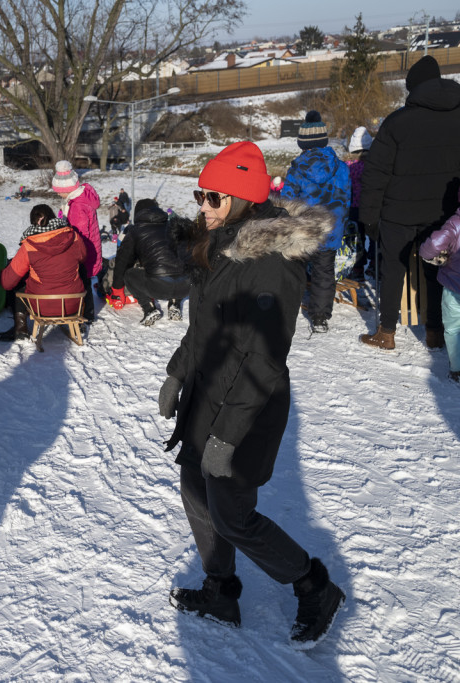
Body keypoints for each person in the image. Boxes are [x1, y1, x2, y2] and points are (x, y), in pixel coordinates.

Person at [159, 141, 345, 648]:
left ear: (241, 200)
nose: (202, 206)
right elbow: (204, 327)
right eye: (200, 194)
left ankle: (315, 587)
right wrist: (178, 373)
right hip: (207, 394)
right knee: (195, 490)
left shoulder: (273, 264)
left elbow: (263, 359)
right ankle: (221, 590)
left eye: (213, 197)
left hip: (245, 410)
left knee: (234, 515)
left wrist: (228, 433)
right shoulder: (220, 245)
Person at [360, 55, 460, 351]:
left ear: (413, 88)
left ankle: (387, 332)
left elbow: (375, 174)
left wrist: (369, 217)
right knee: (436, 271)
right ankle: (435, 332)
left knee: (393, 270)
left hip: (398, 213)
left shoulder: (396, 122)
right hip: (441, 213)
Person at [281, 110, 351, 334]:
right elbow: (346, 196)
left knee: (296, 268)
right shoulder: (340, 167)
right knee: (324, 272)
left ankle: (288, 307)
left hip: (304, 229)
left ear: (302, 142)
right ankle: (320, 317)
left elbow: (287, 200)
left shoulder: (297, 168)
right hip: (330, 228)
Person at [0, 204, 86, 342]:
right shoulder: (73, 237)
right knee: (78, 273)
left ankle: (20, 328)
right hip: (73, 303)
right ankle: (79, 322)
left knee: (20, 285)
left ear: (33, 222)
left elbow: (7, 283)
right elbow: (83, 257)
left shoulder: (29, 246)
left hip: (43, 306)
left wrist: (2, 274)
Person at [112, 198, 190, 326]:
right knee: (176, 266)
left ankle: (149, 308)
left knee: (129, 274)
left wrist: (116, 288)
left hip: (159, 286)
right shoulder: (173, 225)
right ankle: (175, 303)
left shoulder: (135, 230)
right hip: (185, 286)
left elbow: (122, 262)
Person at [51, 160, 102, 323]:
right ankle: (87, 313)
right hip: (88, 248)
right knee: (84, 281)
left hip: (83, 251)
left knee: (82, 282)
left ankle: (86, 314)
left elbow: (79, 234)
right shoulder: (80, 199)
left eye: (59, 192)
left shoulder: (77, 207)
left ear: (67, 189)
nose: (58, 194)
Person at [419, 188, 460, 383]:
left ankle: (456, 368)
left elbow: (434, 244)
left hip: (454, 285)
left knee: (452, 328)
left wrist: (427, 255)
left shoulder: (455, 224)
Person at [346, 127, 373, 281]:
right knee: (375, 237)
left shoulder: (349, 167)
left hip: (354, 207)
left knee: (357, 237)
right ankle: (375, 262)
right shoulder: (372, 166)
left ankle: (357, 269)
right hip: (370, 205)